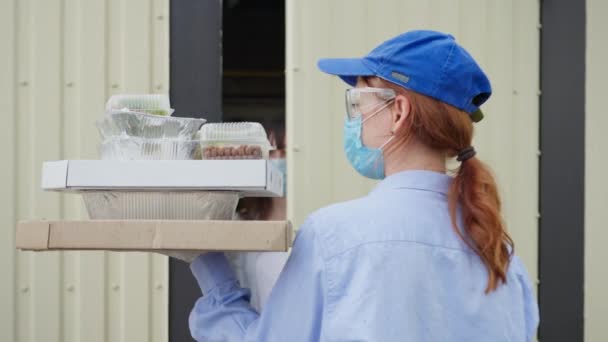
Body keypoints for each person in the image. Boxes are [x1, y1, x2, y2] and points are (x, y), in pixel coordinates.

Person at [188, 30, 539, 341]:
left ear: (398, 113)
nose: (352, 120)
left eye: (357, 103)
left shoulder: (334, 236)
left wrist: (214, 274)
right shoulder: (502, 257)